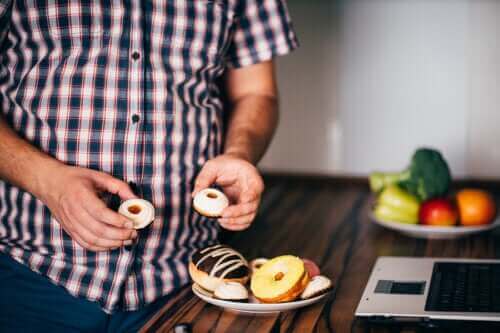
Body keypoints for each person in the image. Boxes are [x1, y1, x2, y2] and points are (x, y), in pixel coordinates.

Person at [0, 1, 297, 331]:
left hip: (185, 282)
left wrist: (238, 153)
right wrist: (46, 182)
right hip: (30, 274)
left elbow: (256, 93)